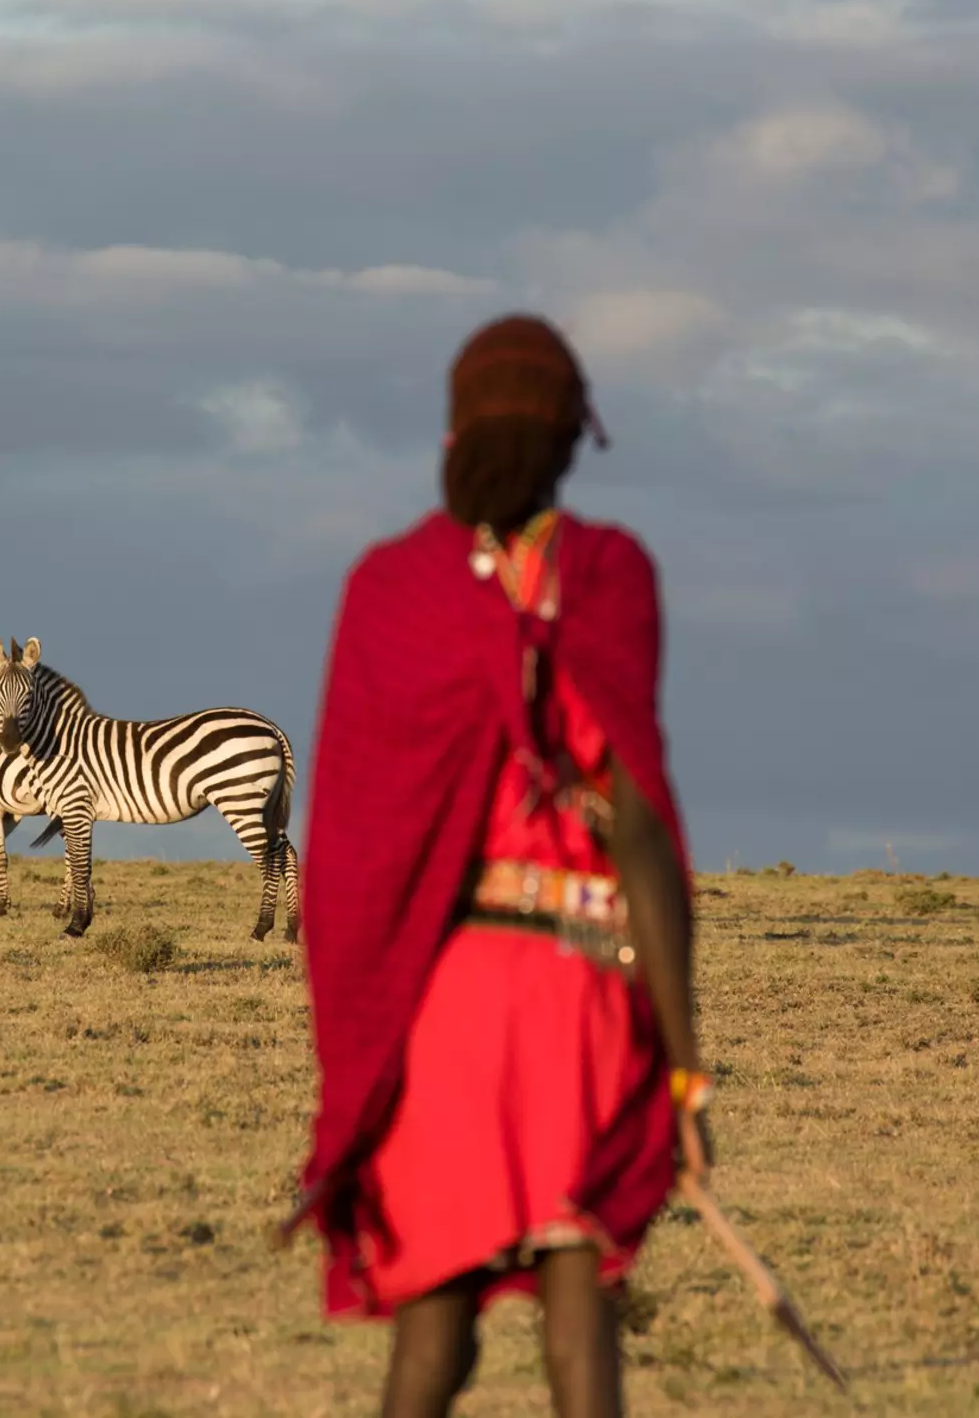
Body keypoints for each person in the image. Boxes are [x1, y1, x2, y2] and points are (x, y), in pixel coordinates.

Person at [298, 313, 714, 1418]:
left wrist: (359, 1043)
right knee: (580, 1322)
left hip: (444, 1005)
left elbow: (350, 845)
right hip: (580, 988)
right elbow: (639, 835)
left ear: (452, 434)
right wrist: (683, 1066)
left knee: (432, 1336)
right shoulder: (612, 572)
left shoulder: (390, 588)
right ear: (573, 437)